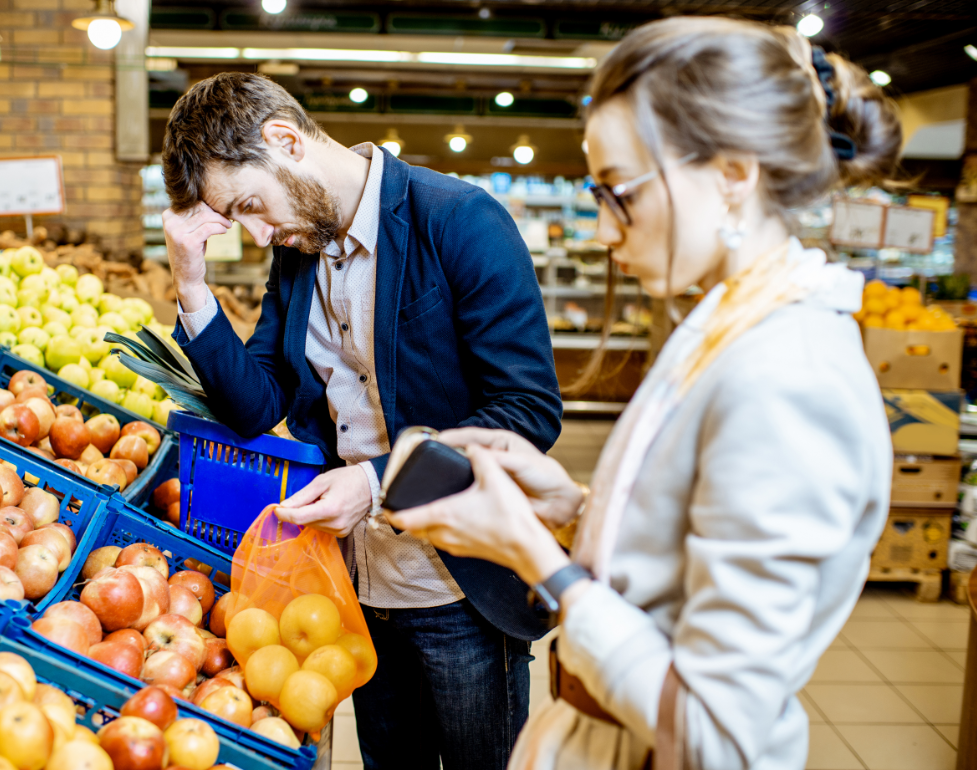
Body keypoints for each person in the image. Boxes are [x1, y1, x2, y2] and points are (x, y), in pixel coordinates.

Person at [385, 16, 899, 770]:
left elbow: (714, 734)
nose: (602, 228)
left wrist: (532, 555)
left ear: (732, 175)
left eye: (619, 192)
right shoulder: (730, 321)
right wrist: (570, 507)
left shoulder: (789, 376)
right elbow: (693, 545)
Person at [158, 72, 563, 769]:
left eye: (251, 205)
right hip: (351, 589)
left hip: (457, 585)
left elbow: (527, 412)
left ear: (285, 141)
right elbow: (259, 403)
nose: (258, 234)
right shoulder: (297, 254)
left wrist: (374, 484)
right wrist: (191, 287)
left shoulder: (458, 220)